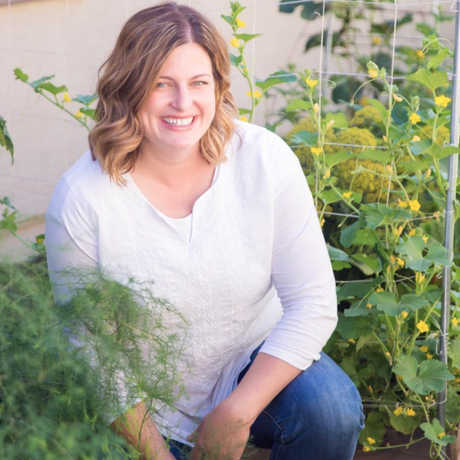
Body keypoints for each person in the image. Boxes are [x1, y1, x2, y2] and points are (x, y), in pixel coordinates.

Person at [45, 2, 364, 459]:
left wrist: (236, 413)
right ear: (129, 88)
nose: (183, 103)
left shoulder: (263, 160)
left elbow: (313, 304)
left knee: (330, 410)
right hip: (147, 397)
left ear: (218, 87)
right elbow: (95, 352)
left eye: (199, 83)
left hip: (250, 365)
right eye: (162, 84)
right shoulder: (83, 197)